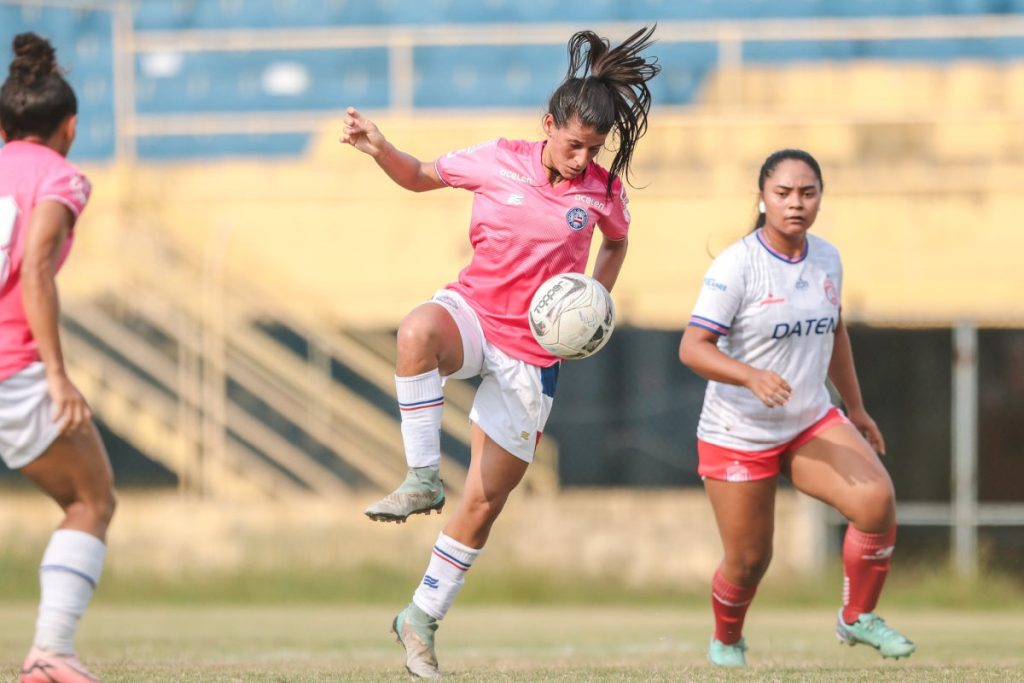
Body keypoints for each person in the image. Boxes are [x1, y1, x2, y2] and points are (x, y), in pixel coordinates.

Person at [341, 27, 659, 678]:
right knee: (414, 333)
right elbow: (419, 175)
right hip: (474, 315)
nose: (580, 159)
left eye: (593, 149)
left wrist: (595, 300)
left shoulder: (602, 191)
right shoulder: (496, 158)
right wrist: (379, 148)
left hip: (532, 355)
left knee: (485, 502)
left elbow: (618, 243)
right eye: (573, 144)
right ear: (548, 124)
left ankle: (420, 618)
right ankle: (422, 475)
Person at [678, 149, 915, 667]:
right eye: (783, 193)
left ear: (820, 199)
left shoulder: (827, 257)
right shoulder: (737, 265)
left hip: (808, 420)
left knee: (876, 501)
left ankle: (856, 618)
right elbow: (692, 348)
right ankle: (726, 639)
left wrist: (856, 408)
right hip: (737, 432)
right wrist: (751, 376)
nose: (796, 203)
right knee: (748, 560)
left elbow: (835, 331)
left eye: (807, 193)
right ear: (762, 199)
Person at [0, 33, 116, 683]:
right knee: (91, 498)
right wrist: (56, 373)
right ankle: (50, 652)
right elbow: (37, 266)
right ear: (70, 127)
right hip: (12, 364)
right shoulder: (61, 178)